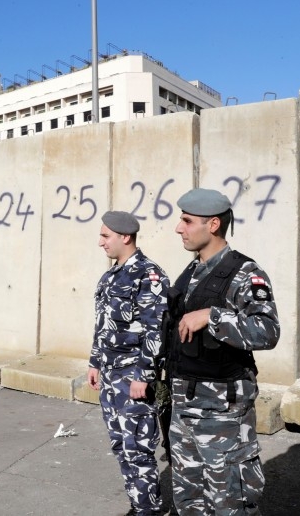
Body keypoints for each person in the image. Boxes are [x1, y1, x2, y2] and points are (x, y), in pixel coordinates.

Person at [162, 188, 280, 515]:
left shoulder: (246, 273)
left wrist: (213, 317)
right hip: (184, 406)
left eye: (186, 221)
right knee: (190, 501)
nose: (178, 227)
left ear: (213, 224)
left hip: (221, 413)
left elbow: (268, 331)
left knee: (229, 502)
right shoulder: (191, 271)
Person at [87, 210, 170, 516]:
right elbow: (102, 325)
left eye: (105, 236)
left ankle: (149, 510)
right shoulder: (110, 276)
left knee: (139, 448)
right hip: (110, 377)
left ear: (125, 237)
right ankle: (138, 505)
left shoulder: (149, 275)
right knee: (122, 446)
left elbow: (156, 331)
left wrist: (144, 376)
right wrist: (94, 362)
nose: (100, 242)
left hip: (133, 377)